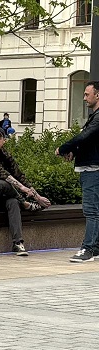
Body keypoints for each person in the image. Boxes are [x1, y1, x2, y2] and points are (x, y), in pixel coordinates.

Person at [0, 125, 50, 256]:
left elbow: (20, 175)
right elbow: (2, 173)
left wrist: (38, 197)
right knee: (3, 183)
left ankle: (18, 244)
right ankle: (25, 204)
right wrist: (24, 191)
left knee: (13, 202)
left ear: (4, 141)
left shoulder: (5, 155)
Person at [57, 80, 99, 263]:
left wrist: (64, 147)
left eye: (86, 94)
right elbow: (90, 141)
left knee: (91, 210)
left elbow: (85, 135)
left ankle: (87, 249)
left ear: (97, 95)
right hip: (91, 166)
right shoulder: (94, 117)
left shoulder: (98, 117)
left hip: (92, 170)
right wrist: (75, 151)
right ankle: (95, 248)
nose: (84, 98)